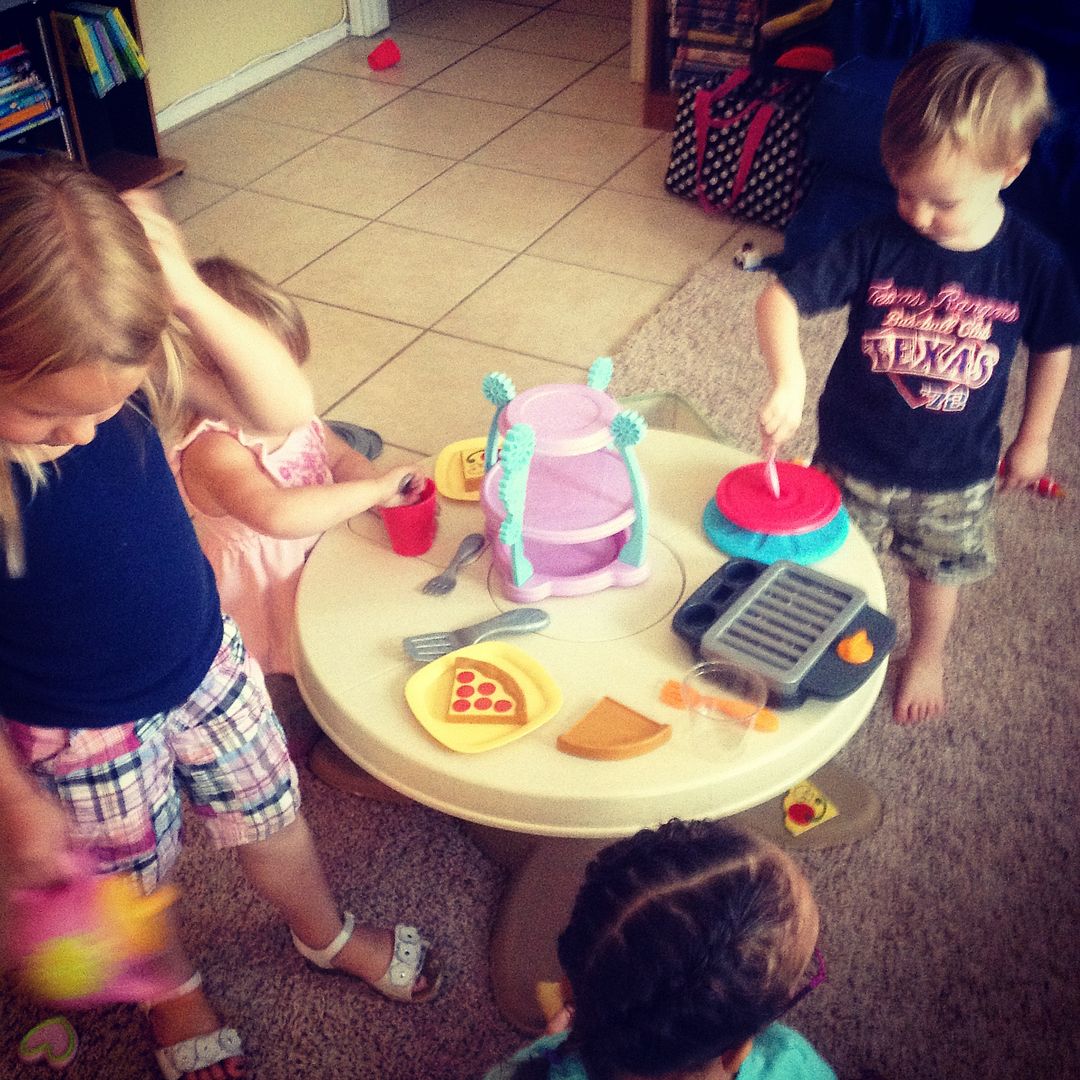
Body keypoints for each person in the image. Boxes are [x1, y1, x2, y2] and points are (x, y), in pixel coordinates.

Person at [0, 157, 440, 1080]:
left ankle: (323, 931)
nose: (84, 434)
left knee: (274, 813)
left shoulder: (111, 369)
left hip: (207, 661)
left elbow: (285, 410)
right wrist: (12, 802)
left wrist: (188, 290)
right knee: (135, 888)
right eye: (46, 415)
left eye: (111, 405)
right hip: (76, 727)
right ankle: (172, 991)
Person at [756, 40, 1080, 724]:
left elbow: (1054, 346)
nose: (919, 214)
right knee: (832, 565)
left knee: (937, 576)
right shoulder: (876, 240)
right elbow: (779, 297)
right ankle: (823, 639)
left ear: (1010, 169)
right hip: (850, 456)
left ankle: (927, 652)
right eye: (904, 191)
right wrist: (789, 379)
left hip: (955, 472)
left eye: (942, 200)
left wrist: (1035, 437)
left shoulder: (1033, 261)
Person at [172, 256, 419, 718]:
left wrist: (378, 490)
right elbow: (278, 514)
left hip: (312, 556)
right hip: (261, 587)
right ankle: (289, 715)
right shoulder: (214, 449)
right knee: (275, 669)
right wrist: (370, 493)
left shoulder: (292, 416)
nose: (285, 387)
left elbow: (339, 458)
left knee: (324, 637)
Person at [483, 819, 834, 1080]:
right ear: (735, 1052)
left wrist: (553, 1048)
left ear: (568, 987)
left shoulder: (529, 1067)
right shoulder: (789, 1065)